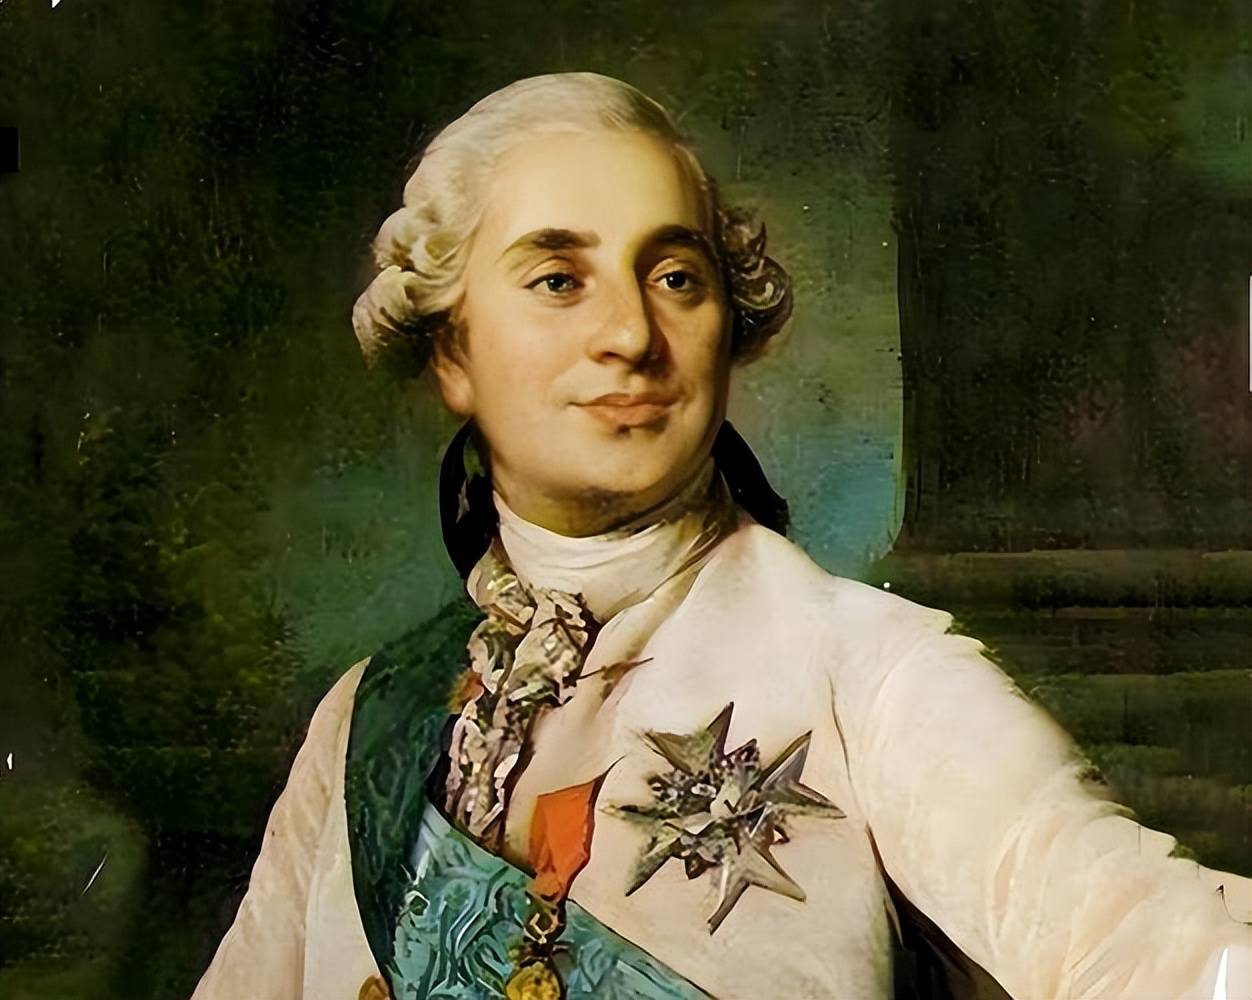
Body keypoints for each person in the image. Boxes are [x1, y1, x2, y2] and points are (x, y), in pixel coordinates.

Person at [192, 73, 1251, 1000]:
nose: (631, 334)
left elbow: (1171, 957)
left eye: (675, 278)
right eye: (559, 280)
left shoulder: (868, 672)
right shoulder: (366, 719)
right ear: (451, 354)